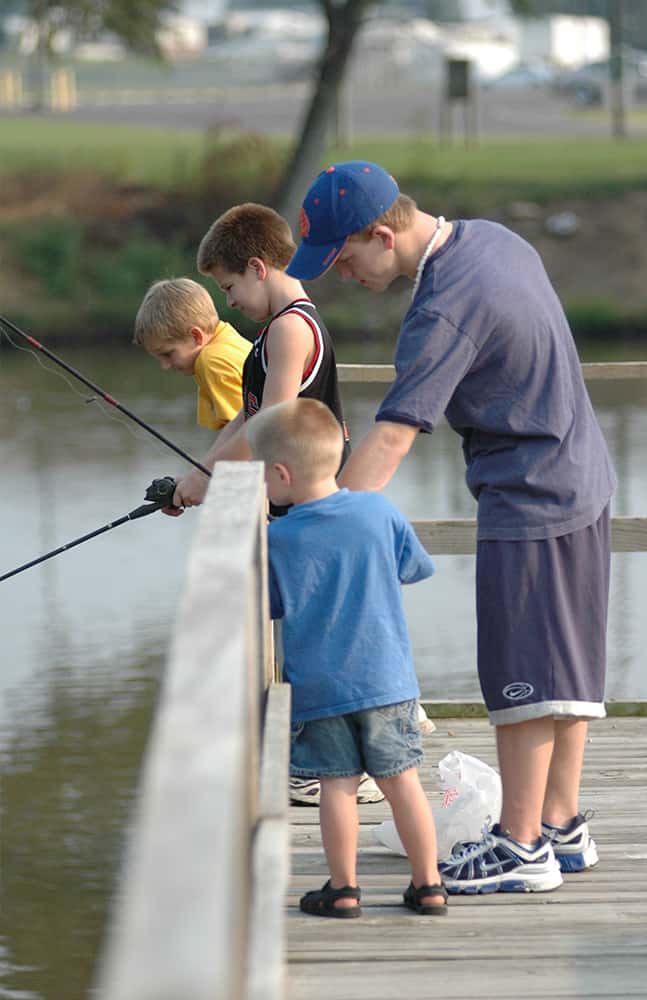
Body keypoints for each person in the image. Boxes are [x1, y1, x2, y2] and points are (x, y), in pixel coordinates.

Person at [286, 160, 617, 894]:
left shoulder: (441, 310)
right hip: (582, 476)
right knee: (565, 669)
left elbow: (393, 437)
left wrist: (319, 522)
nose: (341, 276)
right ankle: (559, 826)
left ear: (382, 234)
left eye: (343, 258)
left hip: (529, 495)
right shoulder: (493, 241)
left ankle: (521, 844)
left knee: (523, 679)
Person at [166, 202, 382, 806]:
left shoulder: (291, 328)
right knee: (298, 634)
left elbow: (275, 426)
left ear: (258, 268)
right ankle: (326, 760)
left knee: (314, 639)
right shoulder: (274, 330)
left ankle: (332, 768)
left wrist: (208, 481)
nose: (228, 301)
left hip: (310, 507)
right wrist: (199, 474)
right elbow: (248, 416)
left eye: (230, 286)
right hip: (289, 502)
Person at [246, 397, 446, 918]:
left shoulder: (278, 539)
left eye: (263, 477)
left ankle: (344, 888)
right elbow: (412, 569)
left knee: (337, 787)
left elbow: (267, 605)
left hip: (320, 689)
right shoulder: (379, 510)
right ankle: (428, 885)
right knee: (403, 781)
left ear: (281, 473)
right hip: (388, 680)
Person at [134, 277, 251, 430]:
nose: (165, 366)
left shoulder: (212, 362)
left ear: (196, 336)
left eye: (168, 354)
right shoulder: (228, 338)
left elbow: (244, 432)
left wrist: (216, 455)